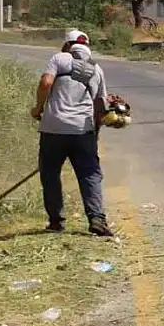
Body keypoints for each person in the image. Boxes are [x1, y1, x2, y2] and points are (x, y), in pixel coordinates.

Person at [30, 29, 114, 237]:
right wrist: (94, 134)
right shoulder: (97, 70)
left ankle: (56, 221)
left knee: (50, 175)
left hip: (53, 129)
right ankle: (97, 219)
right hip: (82, 130)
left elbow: (46, 82)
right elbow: (100, 107)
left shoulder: (59, 59)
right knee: (90, 174)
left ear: (67, 45)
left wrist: (38, 108)